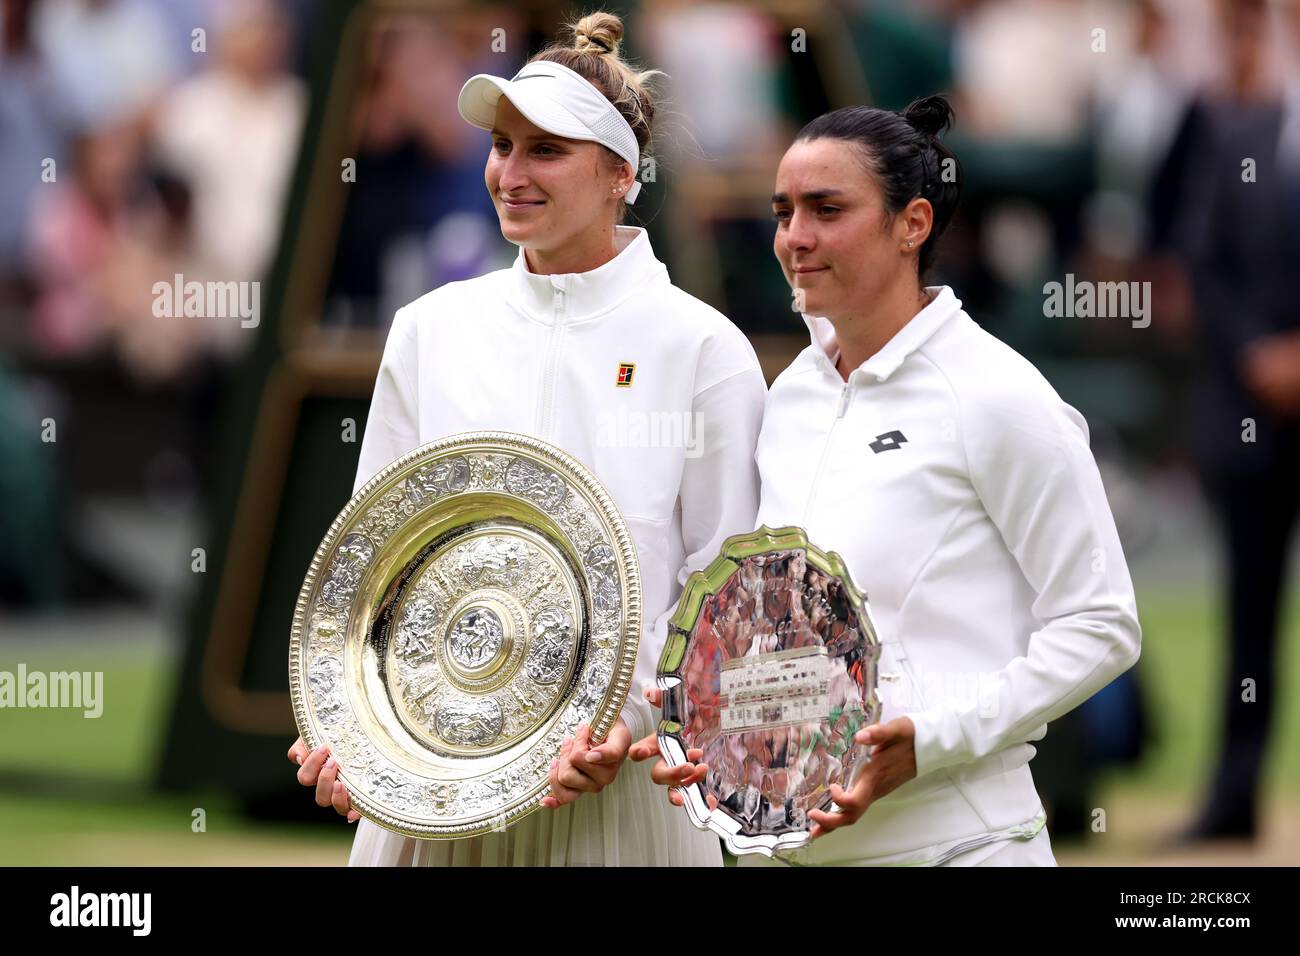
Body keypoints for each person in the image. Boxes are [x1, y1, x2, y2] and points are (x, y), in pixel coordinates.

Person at [287, 11, 766, 866]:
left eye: (545, 151)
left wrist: (627, 723)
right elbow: (375, 564)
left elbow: (725, 602)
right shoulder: (429, 330)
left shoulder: (705, 350)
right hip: (435, 795)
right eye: (502, 146)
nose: (510, 172)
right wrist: (348, 731)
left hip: (618, 808)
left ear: (621, 173)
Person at [632, 95, 1141, 866]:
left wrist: (932, 742)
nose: (795, 238)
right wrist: (707, 726)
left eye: (826, 209)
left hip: (967, 844)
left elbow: (1101, 624)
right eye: (783, 212)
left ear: (913, 224)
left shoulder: (999, 394)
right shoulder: (792, 395)